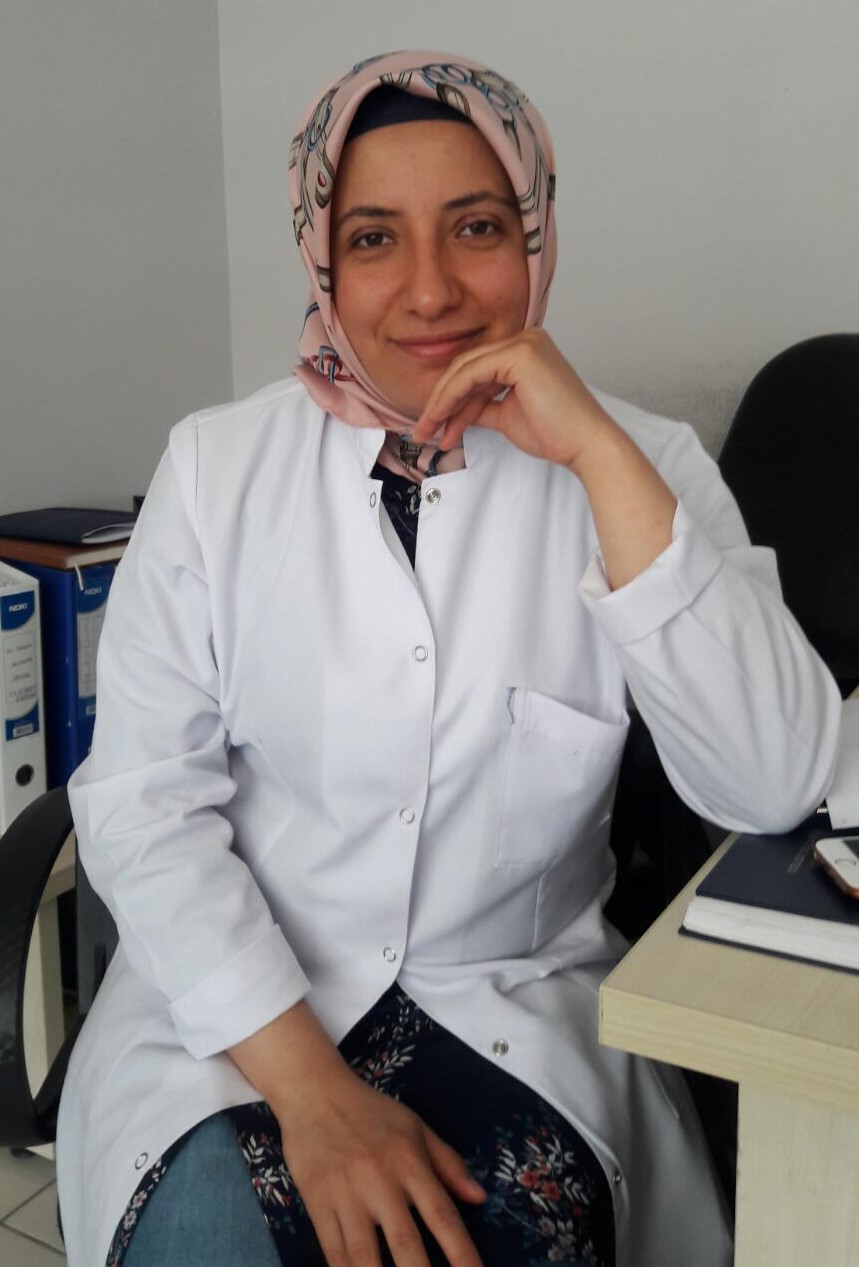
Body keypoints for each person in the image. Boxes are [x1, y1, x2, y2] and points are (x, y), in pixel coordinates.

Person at [56, 50, 841, 1267]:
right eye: (374, 238)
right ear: (323, 260)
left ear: (535, 234)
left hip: (508, 1013)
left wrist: (598, 457)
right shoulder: (216, 471)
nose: (428, 290)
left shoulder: (646, 464)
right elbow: (145, 806)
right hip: (237, 1022)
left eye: (475, 226)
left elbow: (776, 783)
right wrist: (315, 1096)